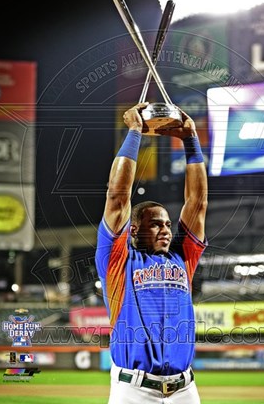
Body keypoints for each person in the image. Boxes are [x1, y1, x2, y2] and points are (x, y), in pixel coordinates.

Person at [95, 102, 208, 403]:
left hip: (185, 389)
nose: (166, 230)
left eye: (168, 224)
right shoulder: (118, 261)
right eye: (156, 224)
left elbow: (197, 203)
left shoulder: (182, 258)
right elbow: (118, 198)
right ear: (133, 230)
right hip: (134, 391)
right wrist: (134, 132)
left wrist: (190, 139)